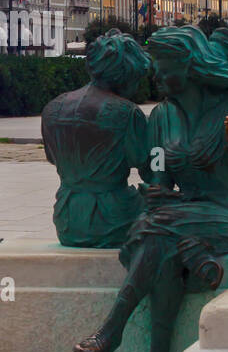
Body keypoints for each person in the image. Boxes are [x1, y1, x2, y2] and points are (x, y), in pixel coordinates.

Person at [73, 25, 228, 352]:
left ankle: (113, 330)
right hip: (182, 213)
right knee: (164, 248)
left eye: (163, 67)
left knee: (155, 230)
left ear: (190, 67)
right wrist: (156, 190)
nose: (156, 75)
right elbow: (160, 174)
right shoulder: (162, 116)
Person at [41, 29, 152, 248]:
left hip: (67, 218)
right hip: (114, 217)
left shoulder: (53, 108)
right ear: (127, 73)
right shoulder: (126, 113)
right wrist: (163, 158)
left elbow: (53, 159)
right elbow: (148, 166)